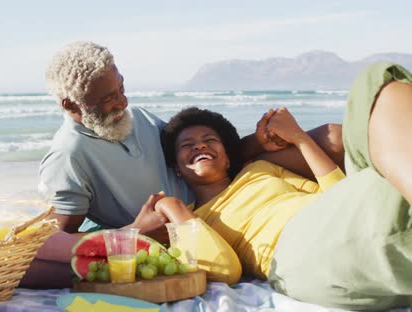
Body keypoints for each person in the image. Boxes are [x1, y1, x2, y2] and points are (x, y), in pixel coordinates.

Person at [19, 41, 342, 289]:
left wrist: (259, 142)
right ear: (70, 104)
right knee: (34, 264)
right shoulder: (67, 156)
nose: (122, 102)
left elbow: (192, 153)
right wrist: (134, 232)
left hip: (222, 190)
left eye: (122, 89)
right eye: (107, 99)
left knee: (332, 138)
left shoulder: (139, 118)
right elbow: (61, 241)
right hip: (174, 232)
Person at [151, 63, 412, 310]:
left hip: (335, 215)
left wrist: (298, 137)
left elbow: (336, 193)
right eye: (187, 146)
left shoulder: (259, 169)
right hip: (294, 254)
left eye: (209, 139)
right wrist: (172, 205)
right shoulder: (189, 219)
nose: (200, 145)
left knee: (377, 80)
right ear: (176, 167)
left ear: (229, 156)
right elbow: (225, 269)